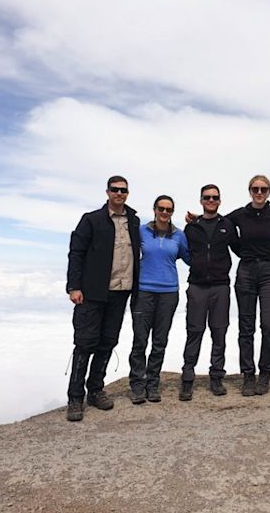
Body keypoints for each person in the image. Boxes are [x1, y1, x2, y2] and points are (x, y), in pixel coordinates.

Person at [64, 176, 141, 422]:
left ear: (127, 193)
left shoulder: (134, 220)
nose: (119, 193)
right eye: (115, 190)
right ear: (107, 192)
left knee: (108, 342)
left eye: (123, 190)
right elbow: (76, 253)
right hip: (93, 292)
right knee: (85, 343)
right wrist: (74, 286)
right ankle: (75, 397)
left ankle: (95, 389)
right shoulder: (92, 220)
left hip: (121, 291)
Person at [227, 175, 270, 396]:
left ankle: (265, 374)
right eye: (255, 189)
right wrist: (197, 218)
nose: (259, 192)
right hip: (246, 270)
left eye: (263, 189)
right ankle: (248, 375)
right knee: (246, 327)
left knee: (268, 325)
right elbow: (220, 225)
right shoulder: (240, 214)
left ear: (269, 192)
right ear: (249, 190)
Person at [128, 195, 191, 405]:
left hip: (169, 293)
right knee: (140, 341)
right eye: (161, 209)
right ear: (154, 209)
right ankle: (137, 384)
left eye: (169, 210)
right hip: (144, 291)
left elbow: (190, 258)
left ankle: (152, 384)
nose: (165, 213)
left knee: (159, 342)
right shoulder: (142, 231)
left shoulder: (179, 235)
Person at [179, 184, 239, 401]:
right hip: (197, 286)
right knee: (194, 331)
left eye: (215, 197)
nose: (211, 200)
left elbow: (239, 248)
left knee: (219, 332)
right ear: (201, 200)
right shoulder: (192, 228)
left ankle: (216, 376)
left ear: (220, 201)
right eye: (207, 197)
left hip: (220, 286)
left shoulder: (227, 225)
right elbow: (186, 253)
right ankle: (187, 378)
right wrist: (196, 265)